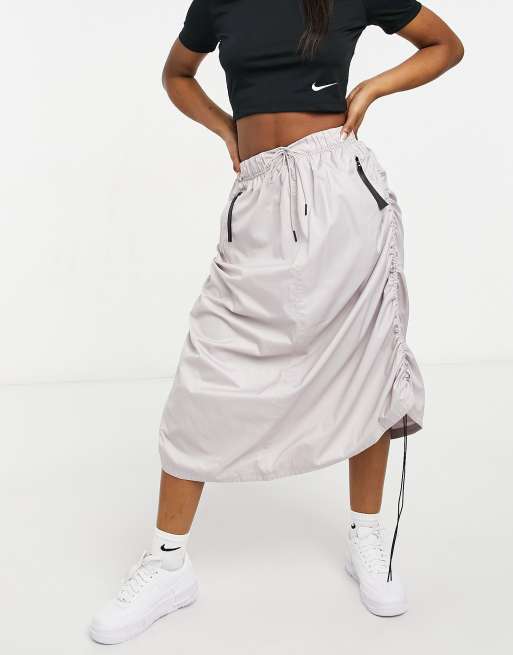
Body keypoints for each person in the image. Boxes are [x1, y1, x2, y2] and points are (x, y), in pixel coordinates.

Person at [89, 0, 463, 644]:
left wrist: (371, 89)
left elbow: (445, 45)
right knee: (207, 376)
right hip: (259, 196)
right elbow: (177, 74)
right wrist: (225, 129)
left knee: (364, 362)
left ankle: (367, 538)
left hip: (341, 190)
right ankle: (167, 564)